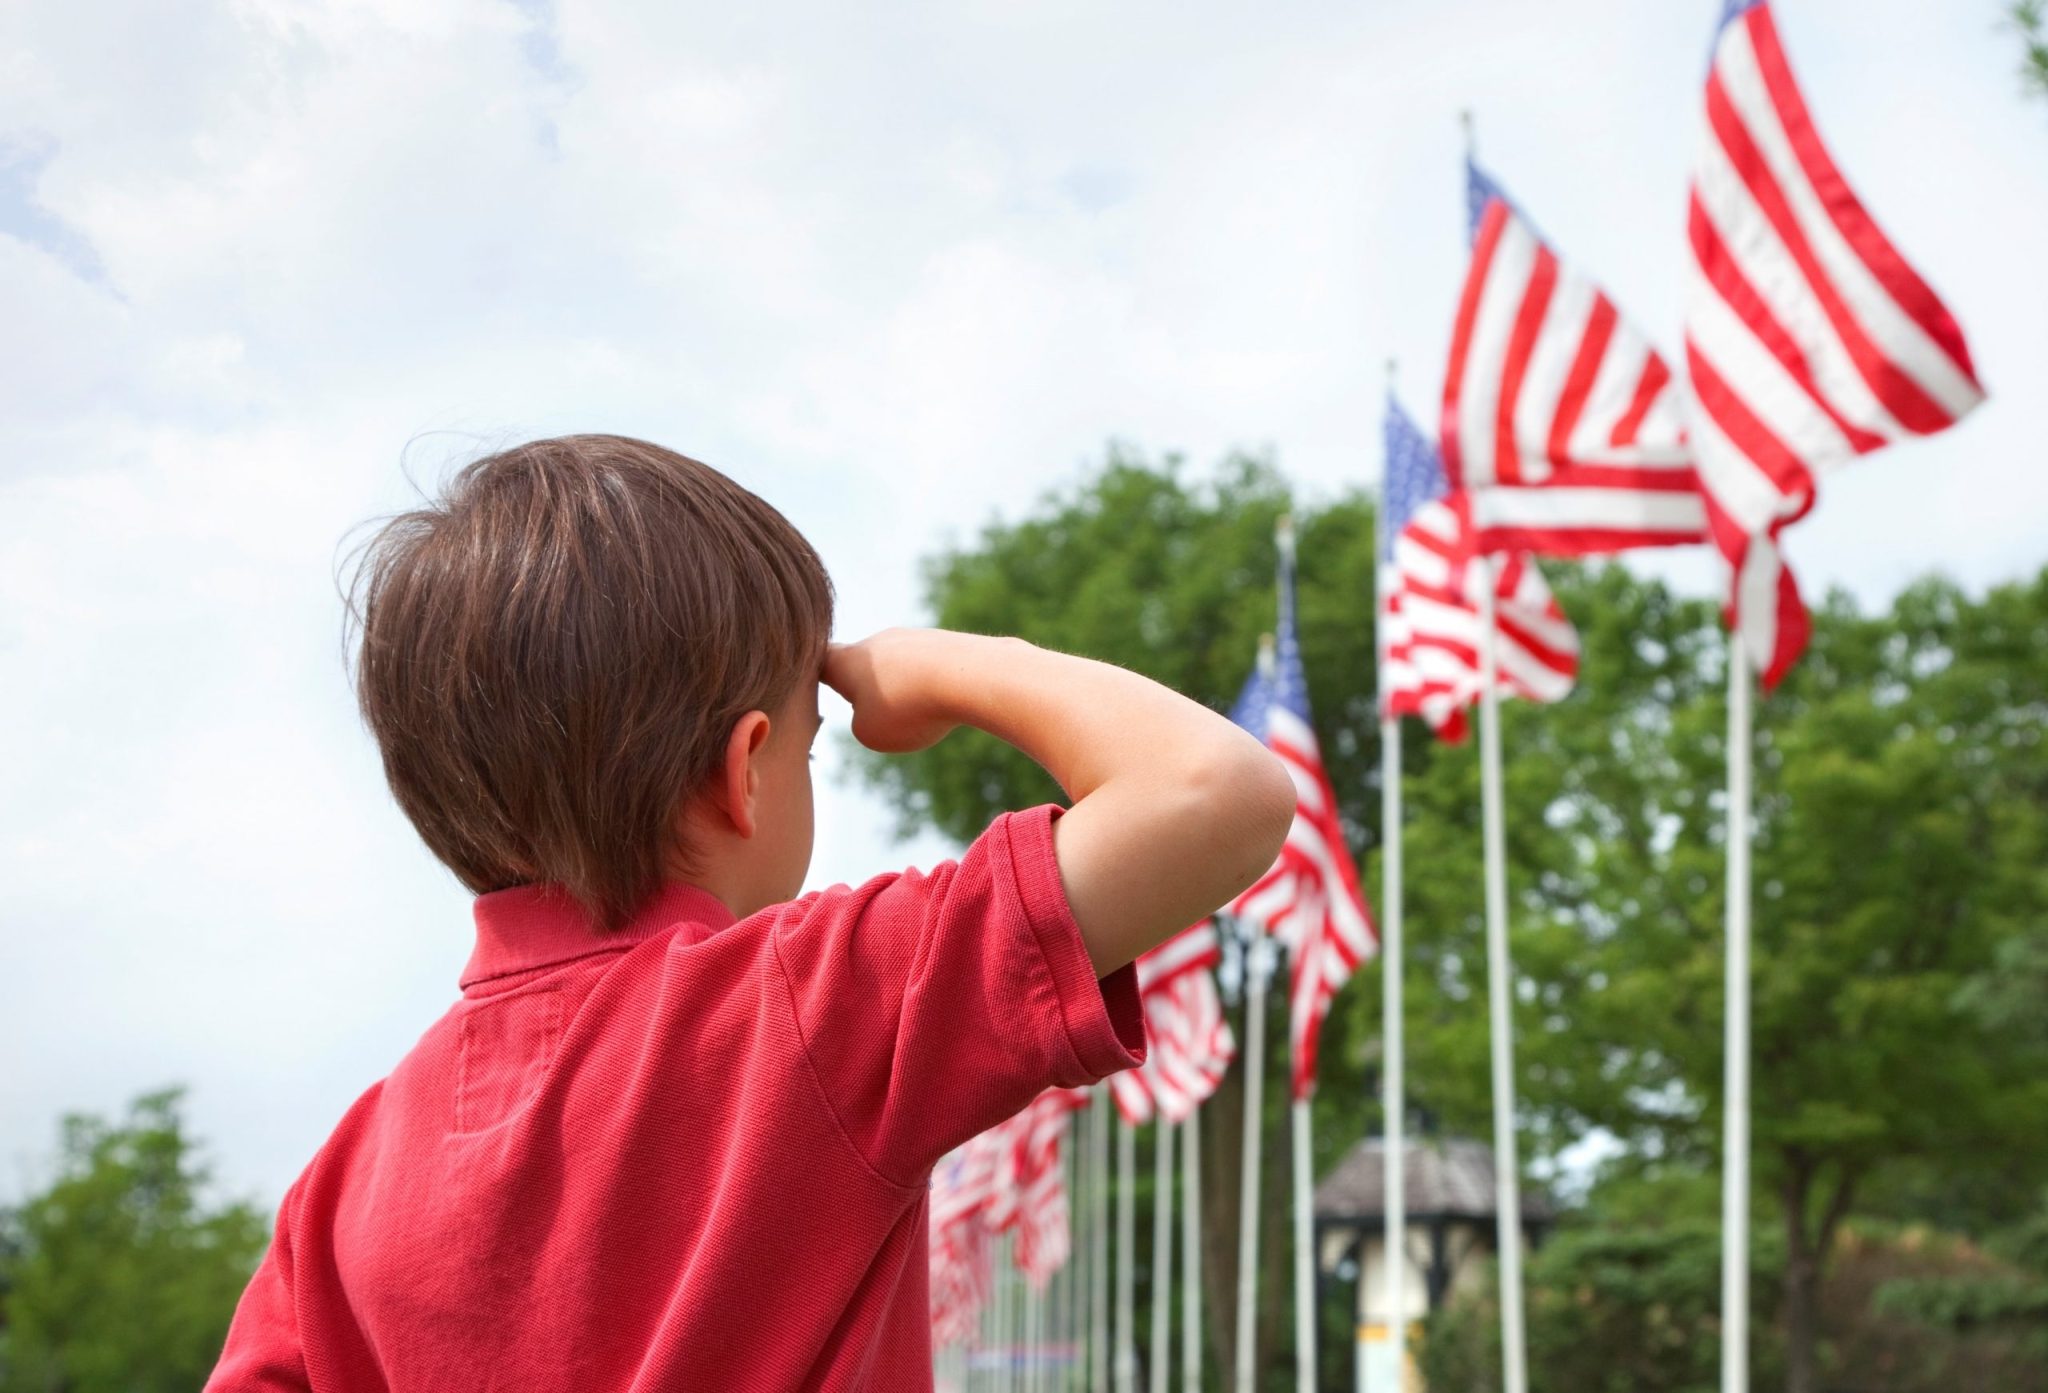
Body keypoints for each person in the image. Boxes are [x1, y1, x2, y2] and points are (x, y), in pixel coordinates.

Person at [206, 434, 1294, 1391]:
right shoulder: (807, 1002)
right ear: (749, 772)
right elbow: (1214, 792)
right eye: (810, 744)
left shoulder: (339, 1184)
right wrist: (956, 664)